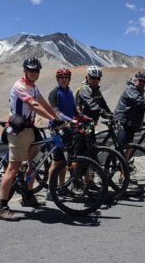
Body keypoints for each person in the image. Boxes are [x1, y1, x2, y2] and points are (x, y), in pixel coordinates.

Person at [0, 58, 62, 221]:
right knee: (13, 168)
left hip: (30, 129)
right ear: (25, 71)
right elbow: (34, 105)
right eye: (30, 70)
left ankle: (28, 195)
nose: (33, 73)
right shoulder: (20, 86)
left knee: (35, 161)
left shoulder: (34, 87)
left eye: (36, 71)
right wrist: (52, 120)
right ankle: (2, 207)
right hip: (18, 131)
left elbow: (44, 104)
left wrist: (58, 117)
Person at [46, 68, 92, 201]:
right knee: (56, 161)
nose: (64, 79)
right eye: (61, 77)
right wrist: (71, 120)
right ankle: (50, 190)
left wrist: (84, 117)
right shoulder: (54, 93)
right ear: (57, 79)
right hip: (57, 130)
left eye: (66, 77)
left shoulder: (69, 92)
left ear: (69, 79)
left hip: (68, 130)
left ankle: (61, 187)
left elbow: (74, 111)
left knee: (65, 161)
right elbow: (57, 113)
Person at [114, 71, 145, 158]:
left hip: (130, 123)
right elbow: (141, 103)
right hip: (123, 122)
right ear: (135, 79)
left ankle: (124, 169)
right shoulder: (131, 89)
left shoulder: (138, 91)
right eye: (140, 80)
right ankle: (117, 167)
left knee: (129, 147)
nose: (142, 83)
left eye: (144, 81)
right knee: (122, 148)